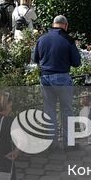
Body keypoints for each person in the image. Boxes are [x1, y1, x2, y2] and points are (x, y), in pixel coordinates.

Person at [32, 15, 82, 148]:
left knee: (49, 110)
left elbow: (34, 58)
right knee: (66, 110)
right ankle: (68, 144)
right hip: (61, 77)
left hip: (45, 77)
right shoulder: (67, 39)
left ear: (53, 24)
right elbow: (77, 62)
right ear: (65, 25)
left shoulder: (42, 38)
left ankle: (51, 144)